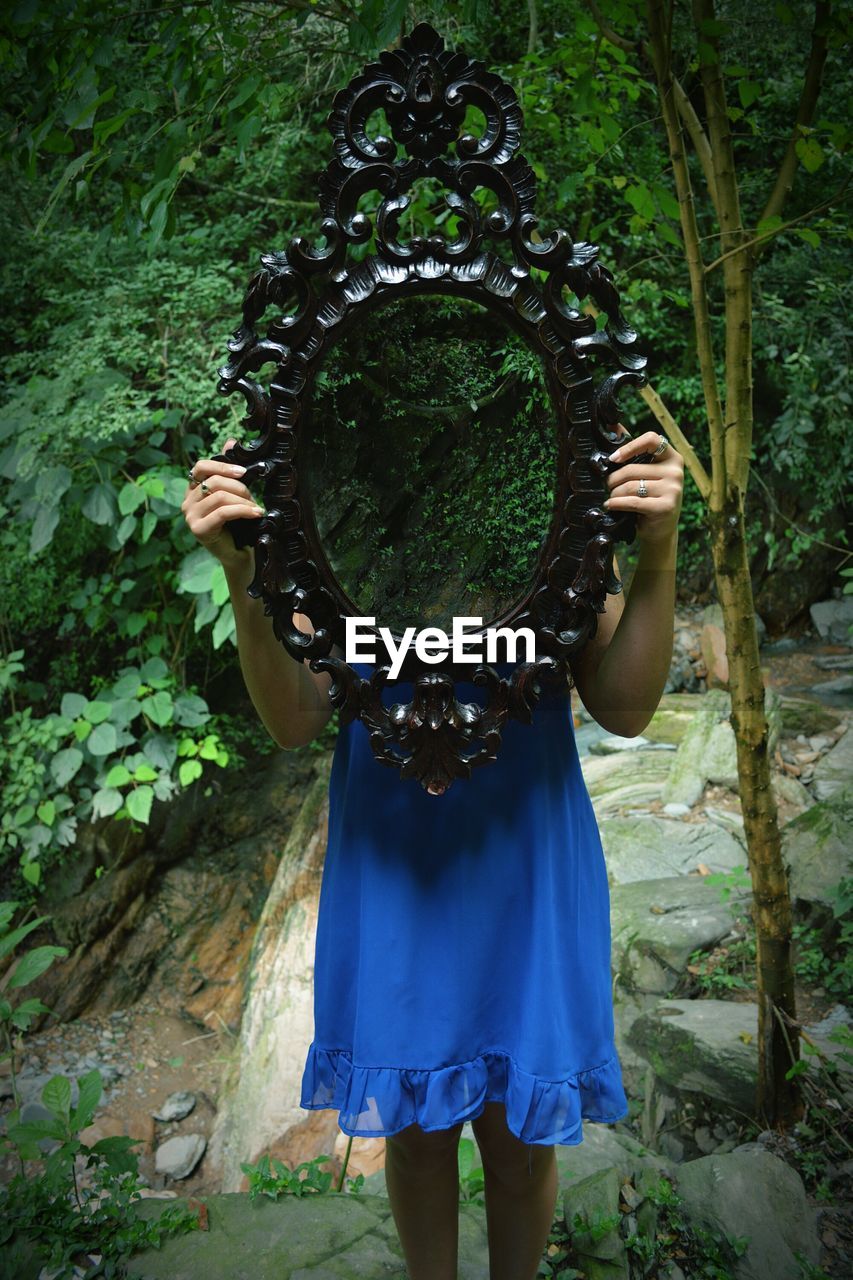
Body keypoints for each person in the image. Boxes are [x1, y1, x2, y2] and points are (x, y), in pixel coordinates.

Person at [182, 426, 684, 1280]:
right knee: (413, 1137)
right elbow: (296, 719)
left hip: (524, 857)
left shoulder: (542, 470)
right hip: (396, 864)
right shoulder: (332, 481)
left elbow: (625, 709)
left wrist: (658, 556)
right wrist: (242, 571)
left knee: (519, 1143)